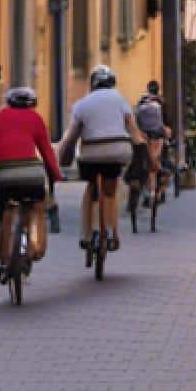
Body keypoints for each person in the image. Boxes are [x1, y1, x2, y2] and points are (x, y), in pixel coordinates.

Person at [56, 66, 146, 252]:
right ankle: (112, 232)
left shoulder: (82, 104)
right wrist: (140, 150)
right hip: (118, 150)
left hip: (91, 153)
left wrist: (62, 155)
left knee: (91, 187)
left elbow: (72, 135)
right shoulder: (121, 101)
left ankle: (86, 234)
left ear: (92, 84)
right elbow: (133, 130)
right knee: (110, 190)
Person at [0, 86, 62, 281]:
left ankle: (3, 258)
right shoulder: (36, 119)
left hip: (4, 174)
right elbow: (47, 153)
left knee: (4, 211)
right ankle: (34, 245)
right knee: (36, 206)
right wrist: (56, 175)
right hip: (31, 173)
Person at [135, 81, 173, 207]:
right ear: (158, 89)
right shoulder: (162, 102)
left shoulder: (141, 101)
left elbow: (136, 121)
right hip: (158, 137)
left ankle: (147, 193)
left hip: (144, 137)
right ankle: (158, 192)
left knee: (147, 164)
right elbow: (168, 122)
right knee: (159, 163)